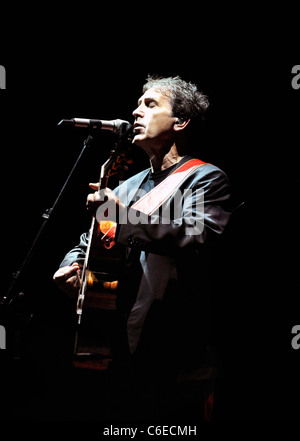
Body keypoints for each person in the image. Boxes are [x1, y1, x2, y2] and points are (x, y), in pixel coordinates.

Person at [53, 75, 232, 420]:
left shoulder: (205, 178)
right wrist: (71, 266)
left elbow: (195, 236)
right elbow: (89, 241)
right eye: (137, 104)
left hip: (177, 350)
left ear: (180, 121)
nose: (136, 112)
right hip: (118, 347)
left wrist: (121, 219)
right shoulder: (128, 186)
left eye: (150, 105)